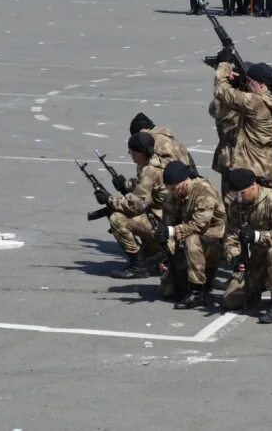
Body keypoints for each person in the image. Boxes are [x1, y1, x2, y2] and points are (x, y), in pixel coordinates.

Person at [222, 168, 272, 323]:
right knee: (231, 301)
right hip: (256, 257)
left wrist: (257, 236)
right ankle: (256, 288)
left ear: (254, 185)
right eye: (235, 194)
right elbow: (230, 236)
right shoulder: (236, 205)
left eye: (242, 193)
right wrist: (235, 257)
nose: (239, 197)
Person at [96, 132, 168, 279]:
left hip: (162, 224)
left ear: (139, 153)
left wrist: (109, 199)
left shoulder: (149, 170)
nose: (130, 155)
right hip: (163, 219)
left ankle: (138, 266)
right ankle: (153, 255)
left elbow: (136, 205)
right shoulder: (153, 162)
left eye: (131, 152)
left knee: (117, 218)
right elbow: (144, 188)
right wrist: (126, 185)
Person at [156, 161, 226, 309]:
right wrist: (167, 248)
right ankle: (197, 281)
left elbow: (199, 225)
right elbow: (168, 226)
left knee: (191, 238)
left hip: (216, 243)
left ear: (183, 183)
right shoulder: (171, 197)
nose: (171, 192)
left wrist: (172, 232)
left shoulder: (204, 190)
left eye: (174, 188)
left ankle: (197, 293)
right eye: (169, 189)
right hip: (192, 243)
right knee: (168, 291)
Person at [211, 61, 272, 194]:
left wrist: (224, 65)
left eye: (250, 81)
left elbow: (221, 91)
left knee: (239, 207)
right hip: (264, 164)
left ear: (262, 84)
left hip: (248, 164)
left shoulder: (255, 102)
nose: (246, 84)